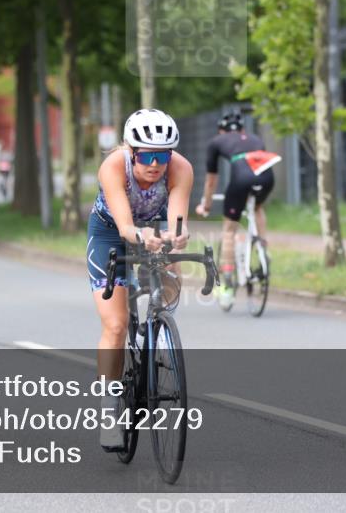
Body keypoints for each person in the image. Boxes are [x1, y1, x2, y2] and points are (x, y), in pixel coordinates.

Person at [87, 108, 193, 451]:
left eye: (163, 155)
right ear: (131, 151)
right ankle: (108, 411)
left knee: (170, 270)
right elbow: (124, 226)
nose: (156, 164)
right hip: (111, 233)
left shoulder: (181, 168)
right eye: (147, 156)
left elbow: (177, 219)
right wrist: (140, 235)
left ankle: (157, 327)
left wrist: (177, 236)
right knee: (116, 325)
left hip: (153, 228)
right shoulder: (113, 166)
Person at [194, 110, 278, 309]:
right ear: (242, 129)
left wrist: (206, 205)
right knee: (257, 207)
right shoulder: (256, 139)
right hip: (267, 177)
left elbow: (211, 180)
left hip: (241, 178)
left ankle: (227, 283)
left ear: (221, 130)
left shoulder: (216, 142)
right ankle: (263, 249)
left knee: (229, 230)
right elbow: (257, 167)